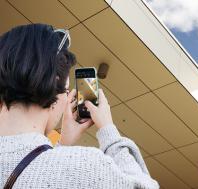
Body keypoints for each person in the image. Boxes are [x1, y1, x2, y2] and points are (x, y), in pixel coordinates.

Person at [0, 24, 159, 189]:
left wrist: (62, 146)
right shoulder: (86, 167)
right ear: (53, 82)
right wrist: (108, 130)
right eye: (67, 91)